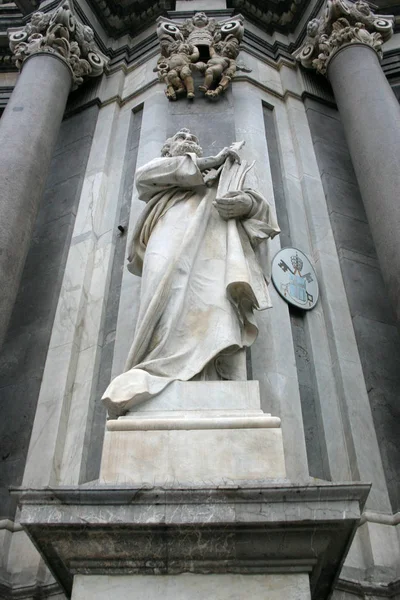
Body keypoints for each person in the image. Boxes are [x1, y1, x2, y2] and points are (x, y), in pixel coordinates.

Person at [102, 129, 280, 417]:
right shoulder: (165, 174)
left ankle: (213, 377)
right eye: (179, 136)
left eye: (192, 137)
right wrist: (208, 161)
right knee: (162, 302)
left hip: (213, 250)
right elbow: (143, 177)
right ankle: (154, 368)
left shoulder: (226, 173)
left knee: (217, 308)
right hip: (166, 239)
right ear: (169, 151)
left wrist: (245, 204)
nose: (187, 136)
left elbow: (260, 208)